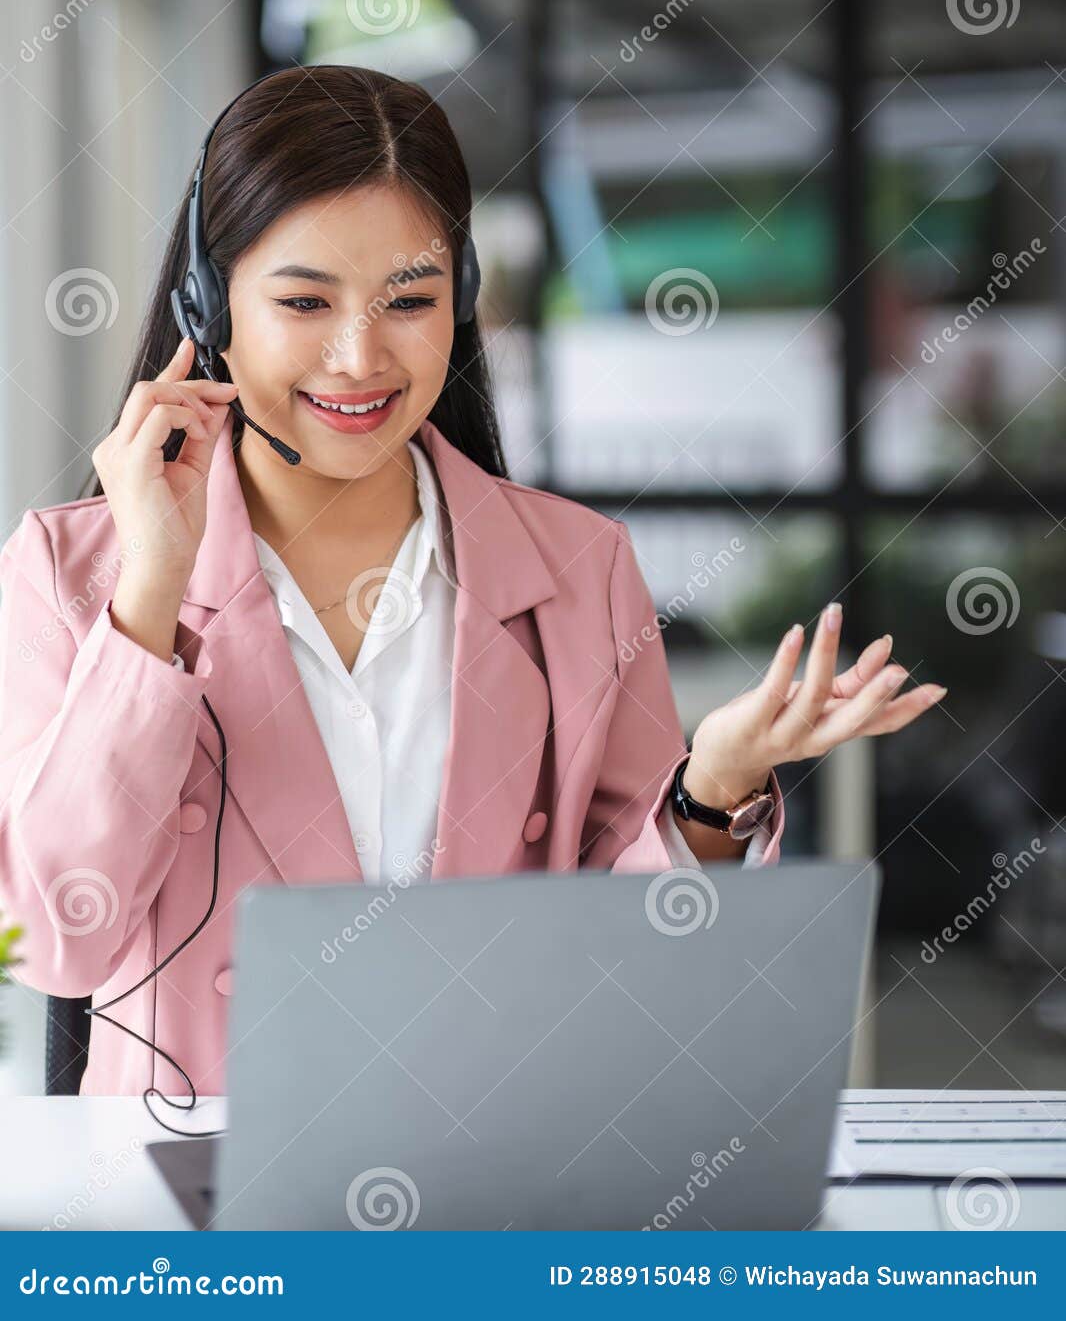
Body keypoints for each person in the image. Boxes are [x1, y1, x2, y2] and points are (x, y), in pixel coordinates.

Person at [0, 65, 946, 1100]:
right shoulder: (69, 570)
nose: (359, 358)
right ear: (208, 300)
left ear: (464, 297)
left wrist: (709, 789)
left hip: (493, 1177)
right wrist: (150, 598)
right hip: (191, 1209)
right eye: (305, 300)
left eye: (410, 298)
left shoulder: (578, 569)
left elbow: (629, 961)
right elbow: (55, 941)